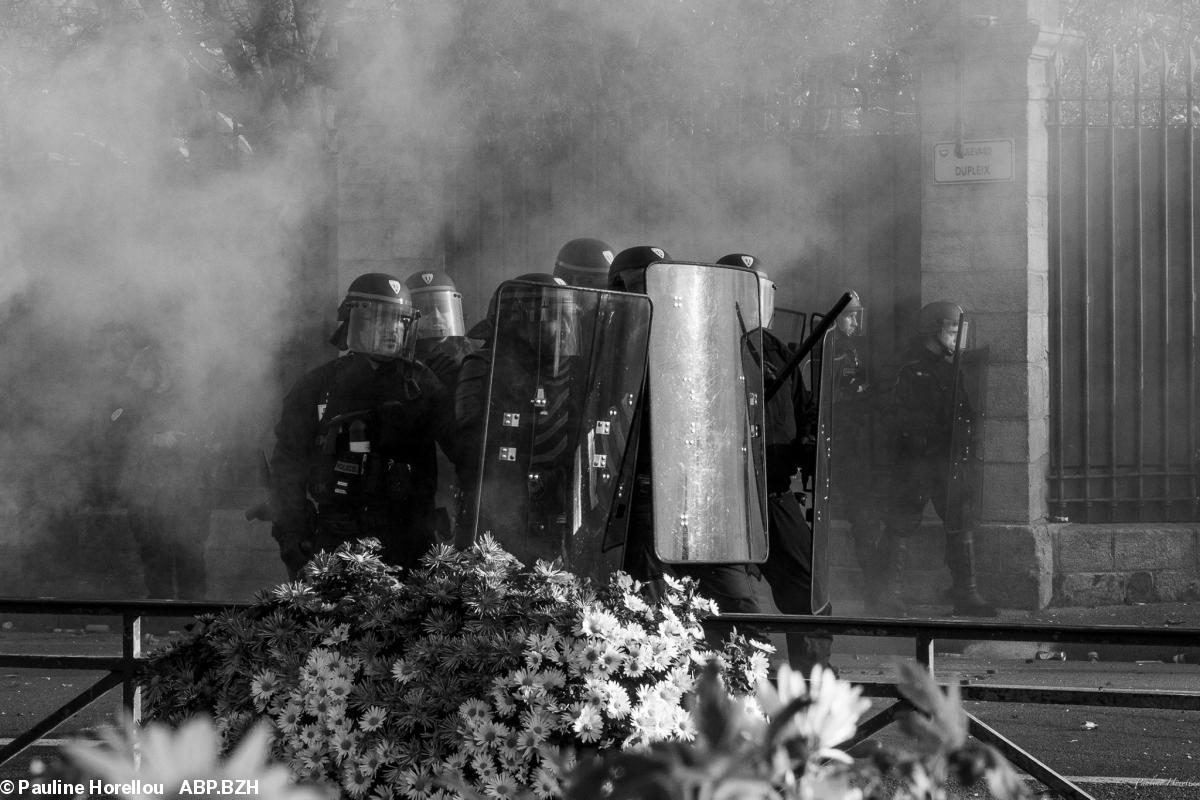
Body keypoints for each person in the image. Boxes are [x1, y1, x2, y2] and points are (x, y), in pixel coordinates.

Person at [608, 246, 766, 642]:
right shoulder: (610, 347)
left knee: (740, 611)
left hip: (703, 498)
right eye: (641, 284)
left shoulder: (695, 339)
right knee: (654, 609)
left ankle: (748, 692)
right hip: (644, 499)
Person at [268, 273, 463, 578]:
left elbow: (464, 452)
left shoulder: (424, 385)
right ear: (354, 323)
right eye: (380, 320)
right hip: (337, 541)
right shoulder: (318, 386)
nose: (392, 329)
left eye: (400, 321)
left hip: (410, 544)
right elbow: (288, 464)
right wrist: (292, 533)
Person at [716, 253, 832, 672]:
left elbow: (803, 414)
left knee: (807, 587)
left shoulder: (780, 352)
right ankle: (740, 682)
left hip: (775, 491)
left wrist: (810, 445)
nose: (759, 301)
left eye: (763, 292)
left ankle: (813, 681)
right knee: (733, 599)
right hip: (726, 495)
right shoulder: (706, 344)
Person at [877, 300, 997, 617]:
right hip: (917, 464)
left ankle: (966, 593)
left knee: (960, 524)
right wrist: (923, 441)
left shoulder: (951, 367)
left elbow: (965, 414)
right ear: (934, 329)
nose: (958, 337)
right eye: (953, 329)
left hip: (948, 462)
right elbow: (898, 418)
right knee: (900, 525)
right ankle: (886, 595)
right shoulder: (910, 369)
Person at [113, 344, 216, 599]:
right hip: (147, 494)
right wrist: (151, 439)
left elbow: (210, 437)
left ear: (159, 371)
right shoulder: (133, 403)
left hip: (188, 492)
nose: (137, 378)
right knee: (153, 552)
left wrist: (184, 441)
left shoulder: (190, 400)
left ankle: (192, 619)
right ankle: (159, 612)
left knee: (189, 552)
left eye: (143, 371)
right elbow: (115, 430)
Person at [404, 268, 478, 541]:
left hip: (464, 475)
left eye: (441, 306)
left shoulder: (473, 359)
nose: (436, 317)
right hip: (424, 479)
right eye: (424, 309)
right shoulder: (402, 364)